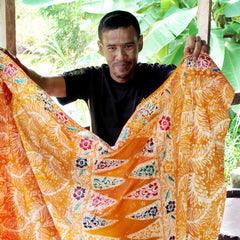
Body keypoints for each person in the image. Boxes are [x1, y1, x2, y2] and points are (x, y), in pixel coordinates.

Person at [24, 10, 209, 146]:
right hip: (105, 176)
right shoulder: (92, 79)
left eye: (128, 46)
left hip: (149, 179)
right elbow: (45, 84)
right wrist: (8, 61)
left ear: (140, 43)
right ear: (101, 48)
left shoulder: (157, 75)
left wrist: (198, 60)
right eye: (112, 48)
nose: (120, 57)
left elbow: (189, 81)